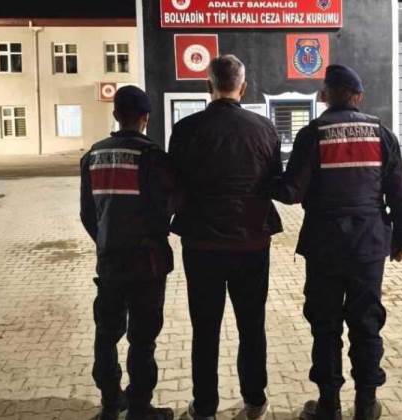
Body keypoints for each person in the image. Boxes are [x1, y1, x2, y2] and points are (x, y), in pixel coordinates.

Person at [271, 65, 402, 420]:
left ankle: (328, 405)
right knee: (366, 324)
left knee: (326, 326)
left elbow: (291, 192)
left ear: (325, 96)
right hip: (369, 246)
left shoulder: (312, 134)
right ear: (358, 97)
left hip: (324, 246)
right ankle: (366, 404)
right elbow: (400, 195)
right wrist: (401, 240)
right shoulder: (382, 134)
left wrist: (260, 177)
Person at [168, 54, 283, 420]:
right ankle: (255, 400)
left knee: (205, 327)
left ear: (209, 86)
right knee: (252, 325)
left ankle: (204, 406)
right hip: (252, 243)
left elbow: (174, 187)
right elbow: (274, 181)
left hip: (202, 245)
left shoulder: (185, 130)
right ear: (243, 87)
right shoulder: (264, 129)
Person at [80, 86, 177, 420]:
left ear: (116, 115)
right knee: (142, 338)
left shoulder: (93, 155)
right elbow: (167, 206)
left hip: (109, 262)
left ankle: (110, 403)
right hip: (146, 262)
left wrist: (106, 240)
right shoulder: (152, 155)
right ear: (145, 118)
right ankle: (139, 407)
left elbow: (87, 213)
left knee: (106, 334)